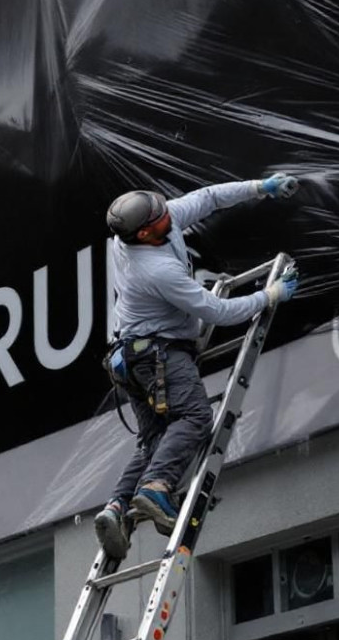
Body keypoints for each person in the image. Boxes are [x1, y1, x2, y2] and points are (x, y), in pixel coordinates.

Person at [94, 174, 302, 558]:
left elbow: (208, 197)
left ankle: (117, 507)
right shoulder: (154, 269)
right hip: (159, 353)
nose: (168, 218)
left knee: (156, 440)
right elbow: (216, 311)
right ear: (142, 235)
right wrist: (269, 296)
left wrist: (260, 188)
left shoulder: (157, 220)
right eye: (159, 221)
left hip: (130, 355)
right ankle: (156, 488)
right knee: (193, 419)